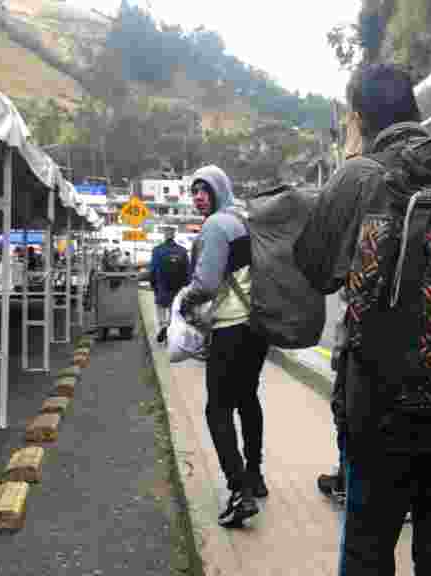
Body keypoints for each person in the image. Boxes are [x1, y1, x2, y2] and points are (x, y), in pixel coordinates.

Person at [294, 63, 431, 574]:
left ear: (357, 118)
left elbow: (313, 268)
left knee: (368, 547)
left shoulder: (358, 175)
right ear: (417, 112)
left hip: (380, 406)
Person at [179, 165, 270, 528]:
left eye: (204, 189)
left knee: (217, 409)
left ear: (219, 189)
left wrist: (181, 303)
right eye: (194, 191)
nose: (199, 196)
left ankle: (239, 491)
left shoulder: (217, 225)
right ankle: (255, 476)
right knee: (248, 398)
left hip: (231, 328)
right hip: (257, 327)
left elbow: (205, 283)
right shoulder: (246, 218)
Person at [149, 227, 190, 343]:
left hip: (162, 286)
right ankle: (170, 330)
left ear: (165, 236)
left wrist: (153, 285)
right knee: (174, 311)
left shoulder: (157, 250)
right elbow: (188, 271)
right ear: (174, 236)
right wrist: (185, 288)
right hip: (178, 288)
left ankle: (162, 326)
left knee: (161, 308)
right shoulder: (182, 251)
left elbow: (152, 270)